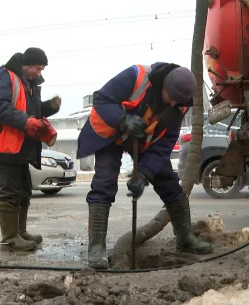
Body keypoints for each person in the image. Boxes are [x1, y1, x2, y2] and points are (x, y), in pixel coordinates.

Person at [77, 62, 214, 269]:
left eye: (177, 100)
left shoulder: (180, 104)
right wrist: (123, 120)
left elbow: (164, 145)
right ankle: (96, 247)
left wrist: (144, 174)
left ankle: (185, 238)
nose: (172, 102)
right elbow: (102, 100)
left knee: (168, 182)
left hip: (143, 141)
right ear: (163, 86)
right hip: (111, 134)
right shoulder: (136, 76)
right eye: (169, 96)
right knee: (104, 182)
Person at [0, 47, 61, 252]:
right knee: (10, 191)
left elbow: (31, 110)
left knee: (24, 190)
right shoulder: (5, 77)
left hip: (22, 145)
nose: (40, 73)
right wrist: (26, 122)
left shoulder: (30, 83)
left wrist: (49, 107)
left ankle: (20, 232)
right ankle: (9, 238)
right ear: (28, 64)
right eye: (38, 68)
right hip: (6, 145)